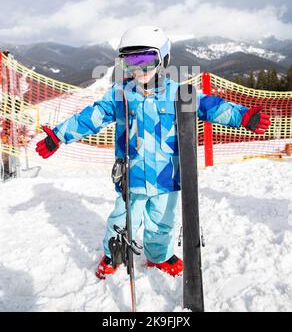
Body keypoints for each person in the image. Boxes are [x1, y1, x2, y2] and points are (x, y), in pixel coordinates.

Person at [36, 26, 271, 278]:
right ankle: (113, 253)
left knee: (161, 223)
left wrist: (242, 116)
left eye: (146, 61)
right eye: (130, 62)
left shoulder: (179, 93)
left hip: (166, 175)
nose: (138, 70)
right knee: (122, 219)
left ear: (163, 59)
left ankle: (158, 256)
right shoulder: (121, 95)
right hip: (132, 174)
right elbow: (90, 117)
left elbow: (210, 106)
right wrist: (58, 136)